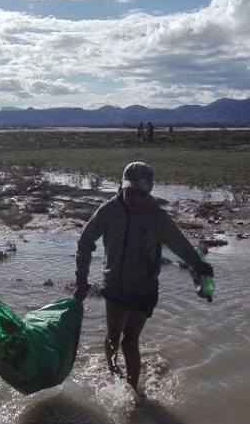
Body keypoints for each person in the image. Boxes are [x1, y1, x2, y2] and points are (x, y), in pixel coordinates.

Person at [74, 161, 213, 391]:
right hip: (115, 287)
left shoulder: (156, 216)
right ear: (122, 186)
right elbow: (85, 242)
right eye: (132, 191)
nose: (136, 198)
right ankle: (111, 368)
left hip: (144, 290)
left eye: (142, 193)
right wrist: (81, 280)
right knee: (112, 338)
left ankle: (132, 393)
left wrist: (199, 265)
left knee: (129, 342)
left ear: (149, 191)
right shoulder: (108, 211)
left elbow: (179, 244)